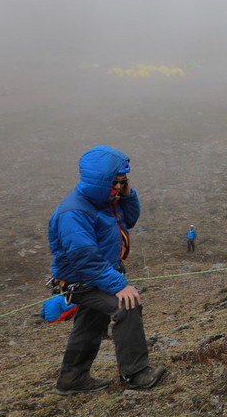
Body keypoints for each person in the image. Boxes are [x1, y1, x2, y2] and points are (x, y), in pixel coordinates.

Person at [47, 146, 166, 395]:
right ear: (101, 181)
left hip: (95, 276)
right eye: (117, 182)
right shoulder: (75, 212)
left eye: (123, 182)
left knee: (90, 325)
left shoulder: (104, 201)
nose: (120, 187)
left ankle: (72, 380)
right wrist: (119, 285)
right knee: (127, 305)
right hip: (82, 279)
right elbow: (85, 258)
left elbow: (129, 220)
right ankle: (135, 374)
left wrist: (128, 193)